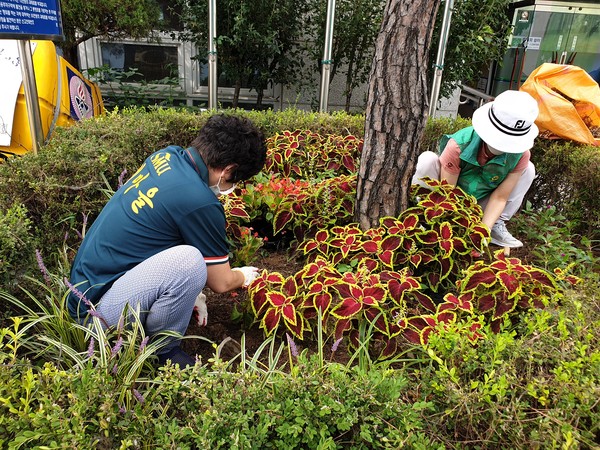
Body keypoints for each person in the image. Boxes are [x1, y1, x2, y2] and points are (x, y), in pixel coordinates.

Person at [67, 114, 267, 367]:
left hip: (85, 287)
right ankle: (163, 352)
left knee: (188, 264)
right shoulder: (199, 201)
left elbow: (160, 235)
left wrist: (190, 294)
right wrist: (244, 276)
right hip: (95, 314)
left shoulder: (167, 157)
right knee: (189, 261)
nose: (232, 187)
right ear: (228, 169)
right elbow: (221, 282)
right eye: (235, 179)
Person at [412, 90, 539, 248]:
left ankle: (495, 227)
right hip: (450, 198)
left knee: (529, 169)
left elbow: (500, 197)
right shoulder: (459, 144)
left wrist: (482, 233)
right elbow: (448, 192)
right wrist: (449, 228)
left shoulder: (521, 155)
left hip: (482, 202)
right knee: (427, 159)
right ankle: (424, 218)